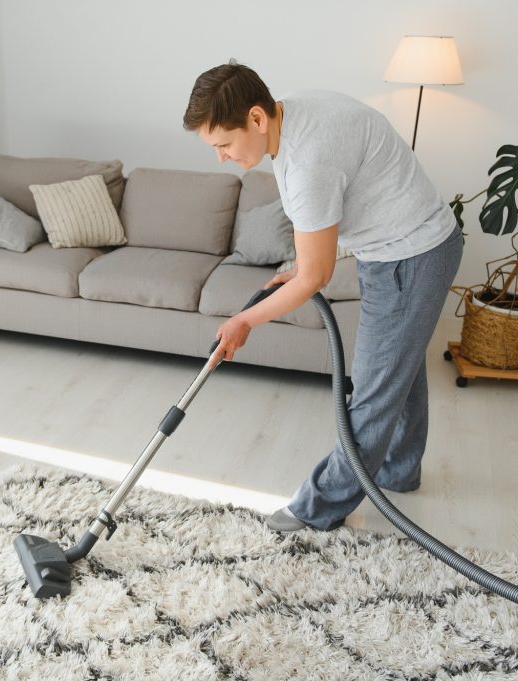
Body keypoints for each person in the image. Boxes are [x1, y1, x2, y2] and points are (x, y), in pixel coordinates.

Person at [183, 62, 462, 532]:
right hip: (411, 246)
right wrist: (303, 266)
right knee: (401, 369)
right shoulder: (295, 108)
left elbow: (317, 277)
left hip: (408, 258)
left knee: (374, 391)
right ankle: (399, 471)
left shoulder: (310, 159)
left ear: (256, 118)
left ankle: (318, 509)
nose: (222, 158)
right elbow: (347, 209)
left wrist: (245, 319)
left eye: (224, 145)